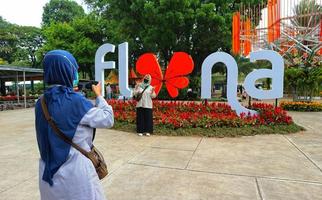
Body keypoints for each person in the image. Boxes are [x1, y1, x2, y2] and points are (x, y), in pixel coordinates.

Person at [35, 50, 114, 200]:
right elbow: (108, 119)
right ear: (67, 70)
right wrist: (99, 95)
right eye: (74, 70)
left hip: (48, 178)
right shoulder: (76, 101)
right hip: (76, 177)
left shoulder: (41, 102)